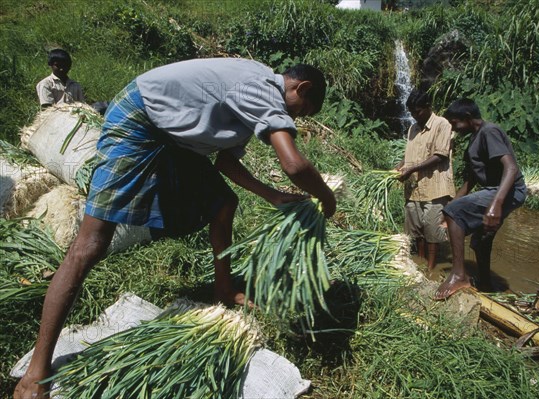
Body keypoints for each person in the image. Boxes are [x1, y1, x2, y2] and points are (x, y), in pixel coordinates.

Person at [15, 58, 337, 399]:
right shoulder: (262, 87)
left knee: (223, 204)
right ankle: (36, 371)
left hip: (174, 139)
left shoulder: (253, 97)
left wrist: (272, 196)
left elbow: (226, 162)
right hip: (138, 121)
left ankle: (224, 291)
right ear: (301, 88)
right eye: (301, 111)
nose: (295, 118)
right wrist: (327, 199)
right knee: (91, 243)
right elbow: (293, 164)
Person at [434, 98, 526, 300]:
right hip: (496, 190)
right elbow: (471, 179)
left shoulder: (488, 131)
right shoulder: (475, 138)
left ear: (467, 118)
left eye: (455, 123)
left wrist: (495, 205)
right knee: (479, 240)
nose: (454, 129)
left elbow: (511, 168)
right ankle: (486, 282)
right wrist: (451, 205)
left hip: (508, 189)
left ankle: (459, 274)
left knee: (454, 212)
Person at [395, 89, 455, 271]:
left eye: (418, 111)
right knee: (417, 230)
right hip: (414, 188)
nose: (414, 116)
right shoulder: (413, 128)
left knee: (432, 230)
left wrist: (412, 168)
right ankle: (420, 261)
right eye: (412, 113)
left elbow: (441, 156)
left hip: (434, 187)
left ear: (428, 107)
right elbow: (410, 154)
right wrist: (400, 165)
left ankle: (430, 268)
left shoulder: (442, 125)